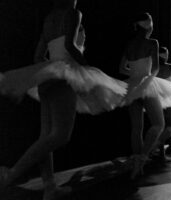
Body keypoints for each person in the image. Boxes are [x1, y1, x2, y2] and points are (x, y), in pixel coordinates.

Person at [0, 0, 127, 199]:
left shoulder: (49, 18)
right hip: (64, 73)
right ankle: (12, 172)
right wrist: (85, 69)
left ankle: (50, 187)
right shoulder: (73, 13)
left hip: (49, 74)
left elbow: (37, 55)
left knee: (46, 136)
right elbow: (69, 44)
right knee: (60, 135)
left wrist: (50, 71)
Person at [119, 13, 165, 179]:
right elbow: (156, 69)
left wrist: (135, 75)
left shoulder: (130, 44)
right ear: (149, 26)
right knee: (159, 124)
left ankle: (136, 162)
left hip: (132, 84)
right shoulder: (153, 43)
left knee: (136, 128)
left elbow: (121, 69)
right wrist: (145, 79)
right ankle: (143, 158)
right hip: (146, 83)